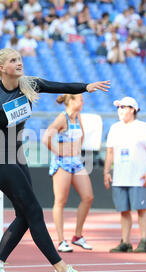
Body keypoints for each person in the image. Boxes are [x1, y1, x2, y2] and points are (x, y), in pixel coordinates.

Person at [0, 48, 110, 272]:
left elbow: (59, 86)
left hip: (17, 158)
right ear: (2, 68)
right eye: (13, 60)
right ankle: (62, 269)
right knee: (34, 212)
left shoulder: (29, 85)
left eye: (19, 59)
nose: (19, 63)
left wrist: (85, 86)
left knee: (25, 216)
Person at [103, 97, 146, 253]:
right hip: (120, 176)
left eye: (122, 107)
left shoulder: (143, 127)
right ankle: (125, 242)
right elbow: (110, 152)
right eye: (118, 107)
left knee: (142, 209)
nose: (120, 110)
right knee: (124, 211)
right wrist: (106, 171)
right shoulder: (114, 128)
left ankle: (144, 241)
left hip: (138, 177)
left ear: (132, 109)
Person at [42, 93, 93, 253]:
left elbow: (82, 135)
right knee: (60, 201)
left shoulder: (78, 117)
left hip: (76, 162)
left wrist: (75, 149)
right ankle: (61, 240)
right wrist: (59, 151)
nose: (82, 102)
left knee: (88, 196)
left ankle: (77, 236)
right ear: (71, 101)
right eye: (80, 99)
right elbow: (46, 138)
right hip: (62, 163)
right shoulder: (62, 118)